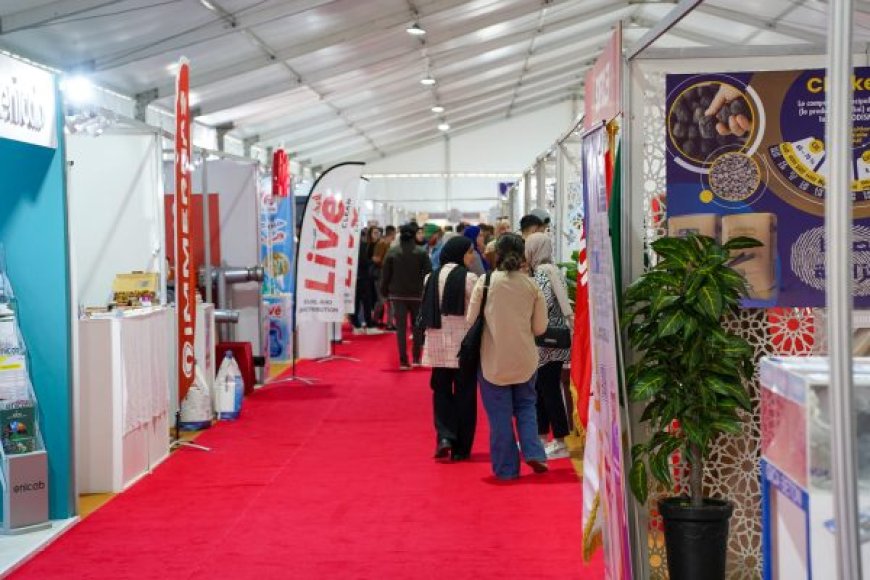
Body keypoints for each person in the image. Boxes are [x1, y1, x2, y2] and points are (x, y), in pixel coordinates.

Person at [467, 233, 549, 480]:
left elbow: (471, 320)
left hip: (493, 361)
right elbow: (540, 328)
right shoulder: (531, 285)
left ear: (497, 254)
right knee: (526, 407)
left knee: (499, 416)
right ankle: (534, 451)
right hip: (525, 359)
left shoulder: (486, 282)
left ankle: (506, 469)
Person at [420, 236, 479, 461]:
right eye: (470, 252)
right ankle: (462, 449)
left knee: (441, 392)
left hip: (437, 346)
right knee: (465, 395)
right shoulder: (469, 279)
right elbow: (476, 311)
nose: (472, 256)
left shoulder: (430, 278)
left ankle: (445, 436)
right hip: (464, 347)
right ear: (460, 254)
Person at [525, 233, 573, 459]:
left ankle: (561, 441)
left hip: (546, 340)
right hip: (556, 338)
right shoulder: (555, 270)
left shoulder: (542, 274)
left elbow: (542, 302)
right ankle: (542, 437)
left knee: (548, 390)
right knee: (544, 389)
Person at [381, 223, 432, 370]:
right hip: (417, 295)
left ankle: (403, 361)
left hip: (397, 295)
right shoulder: (421, 253)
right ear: (415, 234)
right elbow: (428, 273)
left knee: (401, 329)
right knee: (417, 328)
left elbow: (386, 275)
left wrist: (384, 291)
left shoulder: (392, 252)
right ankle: (416, 358)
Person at [372, 225, 397, 330]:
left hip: (388, 276)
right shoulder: (382, 244)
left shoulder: (388, 245)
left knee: (390, 301)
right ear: (392, 233)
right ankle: (374, 321)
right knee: (382, 301)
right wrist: (385, 263)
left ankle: (390, 323)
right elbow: (375, 258)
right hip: (381, 275)